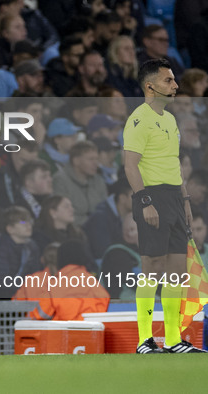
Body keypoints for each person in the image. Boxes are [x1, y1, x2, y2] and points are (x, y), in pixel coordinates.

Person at [123, 59, 205, 354]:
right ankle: (144, 339)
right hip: (152, 197)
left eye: (174, 80)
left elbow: (173, 165)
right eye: (168, 81)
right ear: (150, 86)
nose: (175, 86)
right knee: (151, 268)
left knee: (176, 272)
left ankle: (172, 340)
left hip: (173, 197)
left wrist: (184, 201)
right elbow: (130, 165)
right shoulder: (138, 119)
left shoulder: (169, 120)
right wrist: (145, 201)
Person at [0, 206, 41, 298]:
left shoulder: (31, 247)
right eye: (23, 222)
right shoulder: (1, 248)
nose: (28, 225)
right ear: (10, 229)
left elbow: (35, 274)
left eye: (30, 221)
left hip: (23, 294)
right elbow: (2, 281)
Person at [52, 140, 108, 226]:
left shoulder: (98, 180)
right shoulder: (60, 180)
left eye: (96, 159)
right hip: (73, 230)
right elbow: (62, 215)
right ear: (76, 161)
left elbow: (105, 209)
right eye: (90, 159)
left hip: (99, 228)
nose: (95, 164)